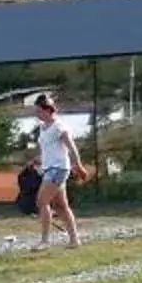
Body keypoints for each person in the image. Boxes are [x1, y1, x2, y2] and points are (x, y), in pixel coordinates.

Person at [31, 94, 90, 247]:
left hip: (58, 169)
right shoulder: (43, 128)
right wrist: (37, 160)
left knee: (42, 201)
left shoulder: (59, 127)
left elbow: (71, 147)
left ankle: (45, 241)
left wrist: (78, 165)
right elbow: (47, 148)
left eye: (39, 110)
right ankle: (74, 240)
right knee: (61, 206)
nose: (37, 114)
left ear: (47, 110)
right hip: (49, 168)